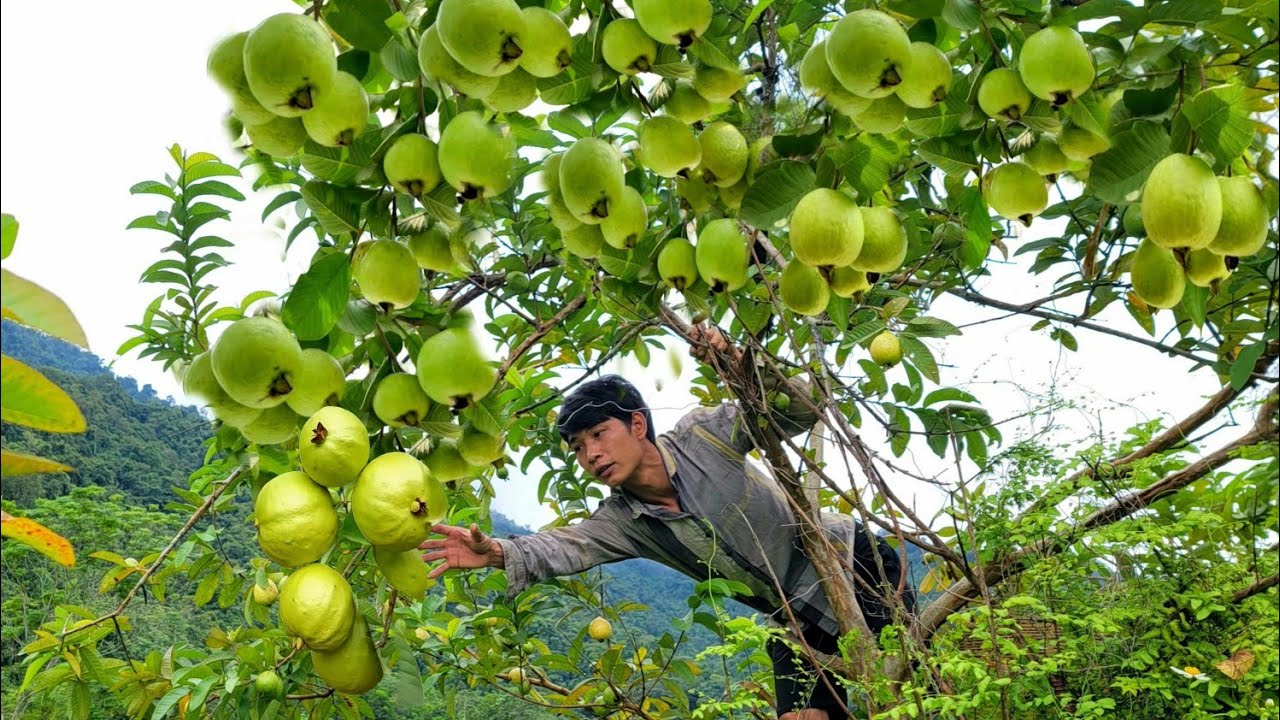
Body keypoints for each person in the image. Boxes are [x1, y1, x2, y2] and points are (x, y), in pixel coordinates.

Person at [420, 326, 914, 719]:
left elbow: (800, 410)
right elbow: (565, 547)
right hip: (792, 617)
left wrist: (741, 366)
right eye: (578, 448)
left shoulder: (704, 436)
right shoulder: (624, 520)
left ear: (637, 424)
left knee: (918, 687)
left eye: (599, 434)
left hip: (851, 564)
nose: (591, 454)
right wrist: (498, 551)